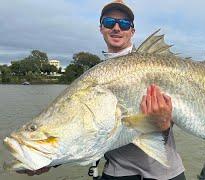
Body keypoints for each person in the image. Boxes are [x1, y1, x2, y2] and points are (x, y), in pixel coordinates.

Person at [17, 1, 185, 179]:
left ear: (132, 31)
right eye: (109, 23)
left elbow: (179, 118)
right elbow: (85, 128)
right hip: (118, 173)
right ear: (101, 28)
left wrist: (165, 126)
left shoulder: (157, 66)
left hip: (165, 172)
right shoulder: (96, 77)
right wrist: (48, 157)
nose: (117, 28)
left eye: (125, 24)